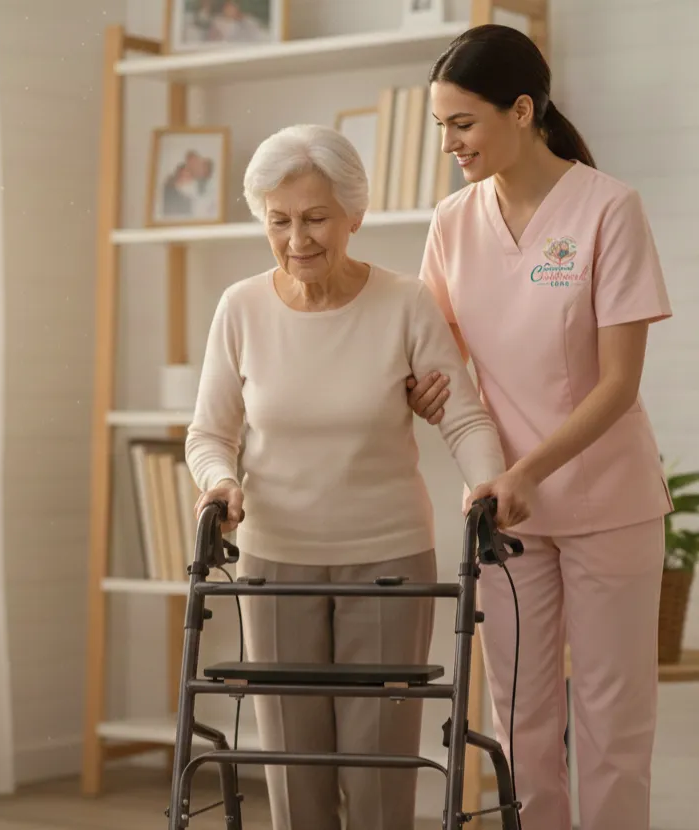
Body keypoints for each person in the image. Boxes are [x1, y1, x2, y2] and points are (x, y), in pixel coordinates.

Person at [185, 123, 531, 830]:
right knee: (292, 763)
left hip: (389, 561)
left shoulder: (404, 303)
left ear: (354, 215)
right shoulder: (241, 308)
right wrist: (221, 481)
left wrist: (487, 483)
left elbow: (462, 417)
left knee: (380, 764)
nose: (297, 239)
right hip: (275, 559)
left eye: (315, 218)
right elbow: (209, 434)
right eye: (278, 221)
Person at [406, 23, 673, 830]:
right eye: (440, 127)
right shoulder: (452, 221)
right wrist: (428, 395)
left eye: (464, 123)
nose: (450, 143)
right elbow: (434, 358)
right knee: (520, 719)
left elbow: (619, 385)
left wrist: (527, 471)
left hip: (607, 501)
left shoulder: (608, 208)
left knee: (609, 720)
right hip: (506, 511)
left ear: (522, 110)